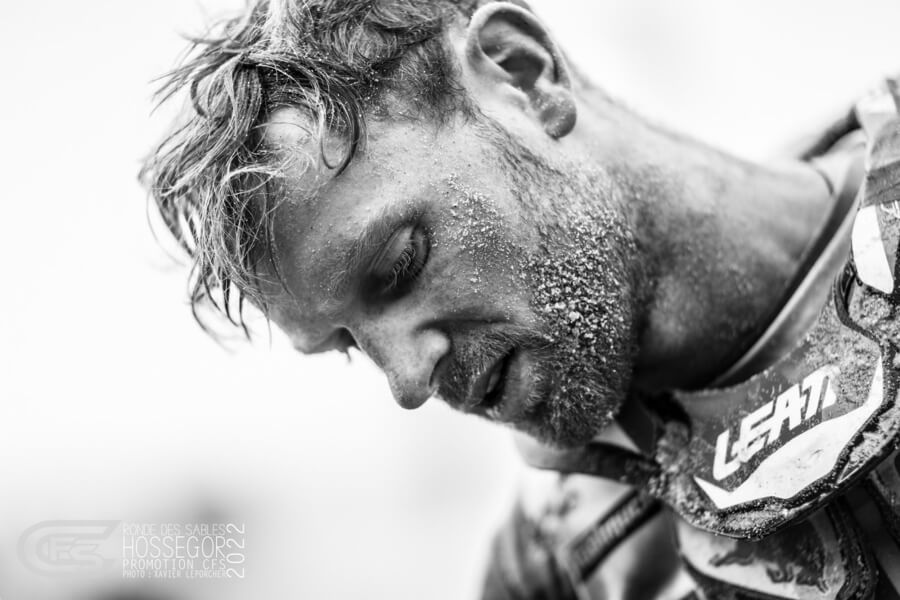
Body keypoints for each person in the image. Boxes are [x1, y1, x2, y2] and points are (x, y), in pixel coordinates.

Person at [141, 0, 900, 597]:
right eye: (349, 344)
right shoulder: (558, 563)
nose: (407, 380)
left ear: (523, 75)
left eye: (400, 264)